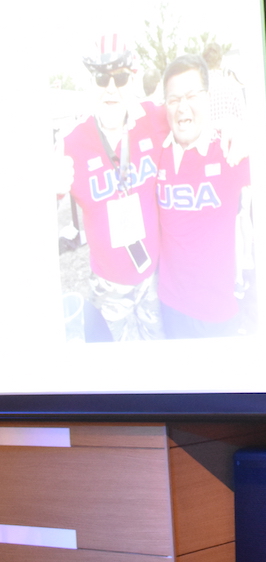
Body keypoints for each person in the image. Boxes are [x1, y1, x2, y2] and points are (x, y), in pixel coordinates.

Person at [58, 34, 167, 340]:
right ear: (90, 82)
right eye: (101, 78)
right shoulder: (69, 142)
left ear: (132, 79)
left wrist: (232, 128)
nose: (110, 88)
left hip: (154, 274)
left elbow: (196, 122)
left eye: (119, 78)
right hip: (109, 286)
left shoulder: (154, 118)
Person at [155, 54, 253, 338]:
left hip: (217, 312)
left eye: (191, 96)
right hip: (170, 305)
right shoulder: (156, 152)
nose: (182, 106)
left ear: (208, 98)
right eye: (174, 99)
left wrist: (245, 132)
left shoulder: (228, 151)